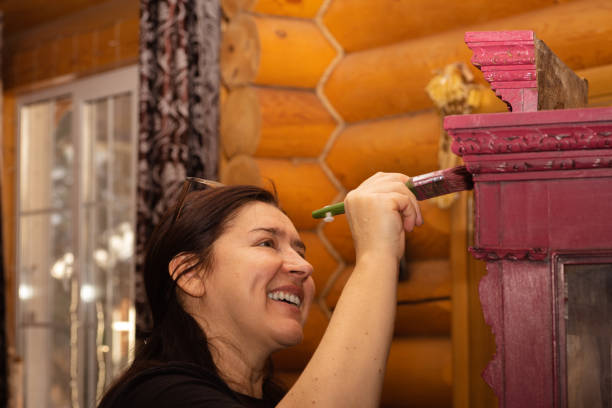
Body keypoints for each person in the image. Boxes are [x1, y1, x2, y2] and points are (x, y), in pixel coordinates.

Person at [98, 172, 423, 407]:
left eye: (300, 251)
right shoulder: (156, 396)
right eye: (267, 243)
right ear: (191, 274)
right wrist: (376, 253)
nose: (303, 266)